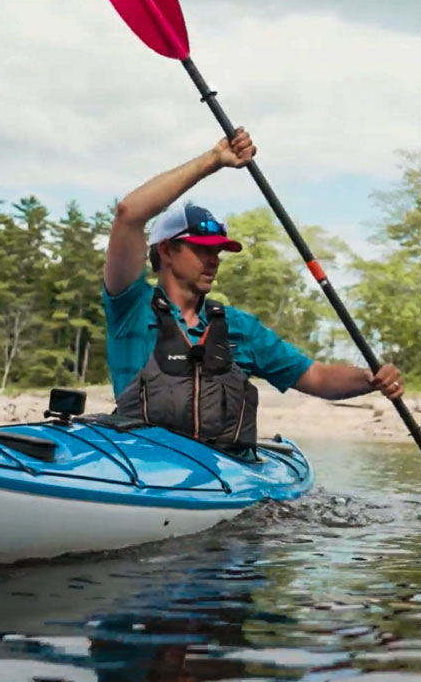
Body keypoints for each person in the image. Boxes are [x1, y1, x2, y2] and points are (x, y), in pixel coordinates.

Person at [102, 126, 404, 449]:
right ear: (166, 250)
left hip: (224, 471)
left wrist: (370, 379)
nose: (213, 259)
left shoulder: (240, 327)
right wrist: (215, 159)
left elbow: (314, 375)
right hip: (139, 463)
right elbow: (128, 214)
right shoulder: (130, 306)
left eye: (217, 251)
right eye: (202, 249)